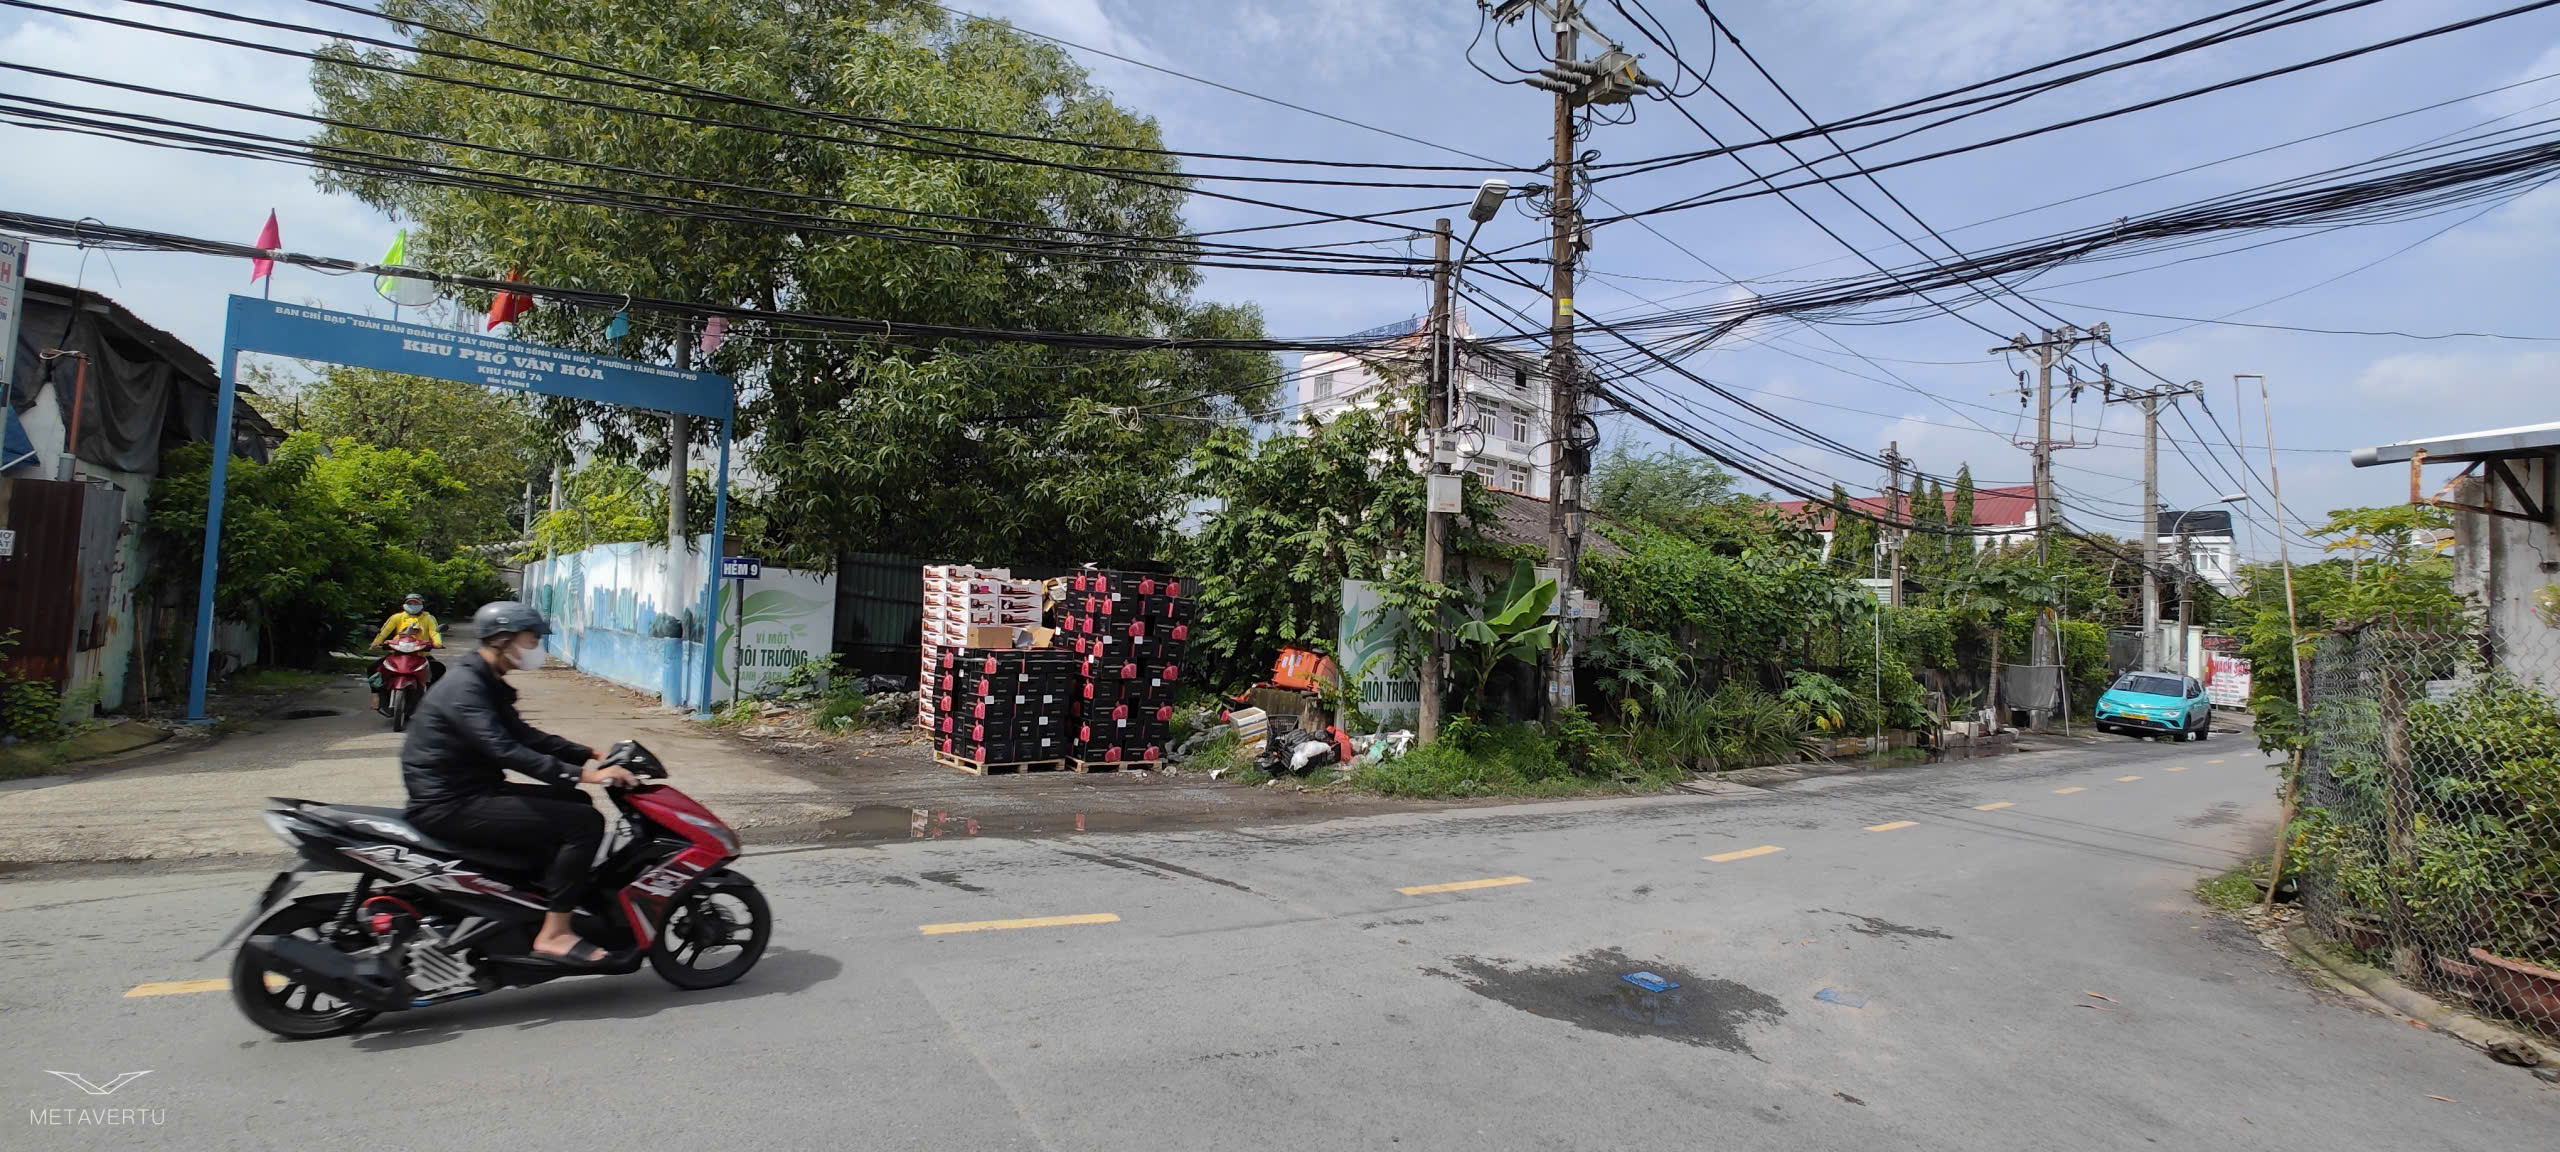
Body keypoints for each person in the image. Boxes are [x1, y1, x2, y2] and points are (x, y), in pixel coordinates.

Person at [400, 601, 635, 968]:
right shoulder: (466, 687)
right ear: (502, 639)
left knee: (575, 801)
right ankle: (554, 934)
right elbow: (505, 749)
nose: (536, 648)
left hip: (470, 791)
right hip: (449, 804)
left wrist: (591, 754)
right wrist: (587, 774)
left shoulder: (484, 680)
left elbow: (524, 735)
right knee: (584, 823)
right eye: (531, 639)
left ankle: (539, 899)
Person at [370, 594, 446, 715]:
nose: (413, 606)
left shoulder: (428, 618)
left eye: (416, 603)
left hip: (421, 653)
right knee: (373, 667)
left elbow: (435, 632)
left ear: (422, 605)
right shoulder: (397, 617)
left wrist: (437, 643)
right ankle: (376, 696)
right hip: (397, 652)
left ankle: (432, 699)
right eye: (410, 603)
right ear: (404, 604)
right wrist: (376, 642)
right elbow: (385, 631)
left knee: (438, 669)